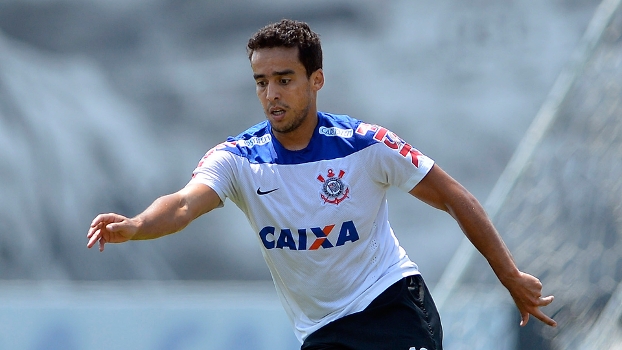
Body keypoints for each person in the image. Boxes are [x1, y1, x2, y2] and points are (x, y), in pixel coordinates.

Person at [87, 19, 556, 350]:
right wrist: (137, 224)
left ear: (316, 80)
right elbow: (185, 204)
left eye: (285, 79)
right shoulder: (239, 159)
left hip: (392, 305)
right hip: (322, 331)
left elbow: (455, 197)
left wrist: (509, 276)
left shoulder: (364, 144)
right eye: (261, 81)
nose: (271, 94)